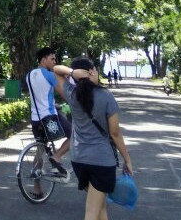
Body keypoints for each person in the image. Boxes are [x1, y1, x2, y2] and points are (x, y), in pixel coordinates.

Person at [54, 57, 133, 220]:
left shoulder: (72, 94)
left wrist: (71, 73)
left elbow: (55, 70)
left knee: (100, 207)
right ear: (90, 72)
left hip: (79, 160)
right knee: (91, 212)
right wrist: (127, 159)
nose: (97, 72)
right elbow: (115, 133)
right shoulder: (106, 96)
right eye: (95, 70)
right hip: (101, 162)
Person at [24, 47, 72, 180]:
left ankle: (37, 190)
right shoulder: (50, 75)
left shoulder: (29, 76)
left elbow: (40, 97)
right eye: (52, 59)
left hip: (35, 119)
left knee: (40, 150)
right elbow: (64, 93)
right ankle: (56, 157)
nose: (54, 62)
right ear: (43, 60)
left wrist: (55, 105)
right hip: (49, 118)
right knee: (74, 135)